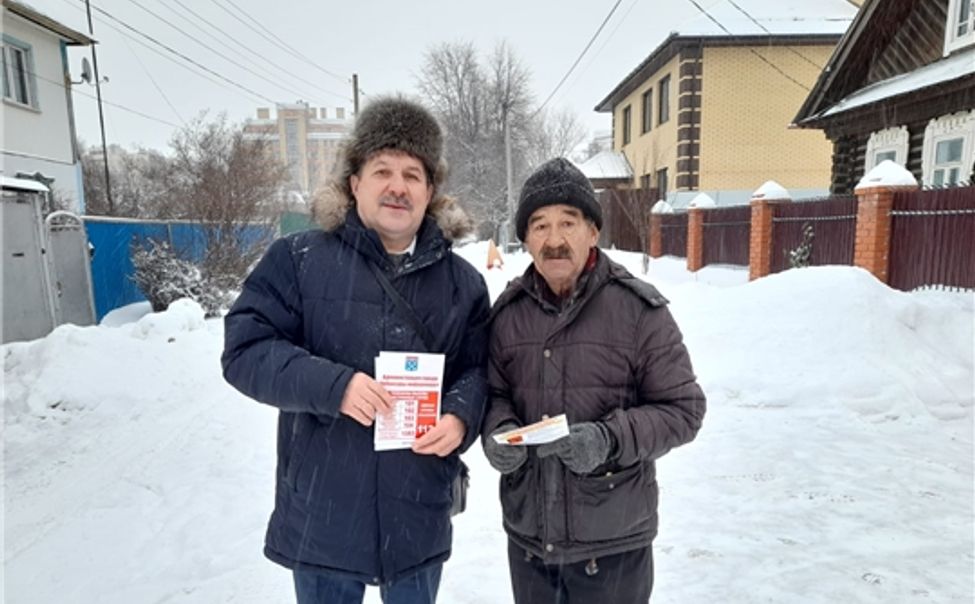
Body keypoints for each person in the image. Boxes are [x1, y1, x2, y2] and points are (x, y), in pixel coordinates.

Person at [222, 96, 490, 604]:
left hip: (417, 511)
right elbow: (245, 350)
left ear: (430, 191)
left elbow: (477, 370)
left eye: (413, 174)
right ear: (354, 182)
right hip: (324, 513)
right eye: (382, 169)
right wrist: (335, 386)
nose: (397, 186)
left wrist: (459, 417)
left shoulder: (464, 284)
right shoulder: (297, 261)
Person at [481, 157, 706, 603]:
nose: (555, 240)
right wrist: (498, 432)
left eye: (568, 222)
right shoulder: (507, 315)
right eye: (540, 226)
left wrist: (609, 440)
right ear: (525, 238)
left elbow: (684, 410)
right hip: (530, 544)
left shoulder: (639, 311)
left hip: (613, 548)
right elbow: (493, 394)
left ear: (593, 232)